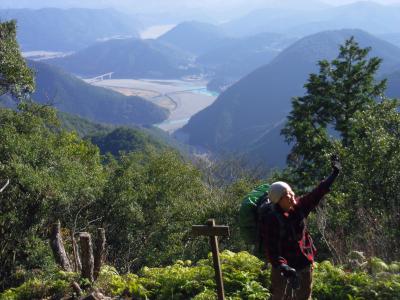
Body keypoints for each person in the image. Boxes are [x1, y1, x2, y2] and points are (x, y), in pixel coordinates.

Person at [260, 155, 341, 300]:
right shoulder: (272, 220)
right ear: (278, 200)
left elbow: (316, 193)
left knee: (304, 296)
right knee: (279, 296)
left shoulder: (298, 207)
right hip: (282, 267)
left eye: (291, 192)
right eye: (287, 195)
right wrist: (284, 267)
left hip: (304, 262)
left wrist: (334, 174)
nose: (292, 196)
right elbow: (272, 250)